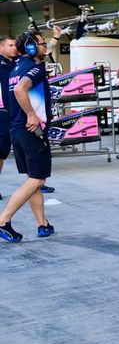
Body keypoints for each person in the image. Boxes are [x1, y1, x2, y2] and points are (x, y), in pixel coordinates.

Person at [0, 30, 57, 242]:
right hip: (31, 130)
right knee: (38, 178)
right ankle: (3, 221)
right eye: (41, 44)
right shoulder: (35, 68)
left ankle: (43, 224)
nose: (45, 47)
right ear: (31, 47)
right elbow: (20, 90)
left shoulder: (16, 68)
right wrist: (32, 114)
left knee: (33, 179)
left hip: (16, 130)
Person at [0, 34, 19, 199]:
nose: (14, 48)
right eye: (10, 45)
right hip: (3, 113)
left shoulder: (19, 62)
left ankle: (36, 182)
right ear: (1, 48)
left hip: (20, 112)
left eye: (15, 45)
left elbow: (43, 51)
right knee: (1, 151)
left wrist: (55, 38)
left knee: (29, 149)